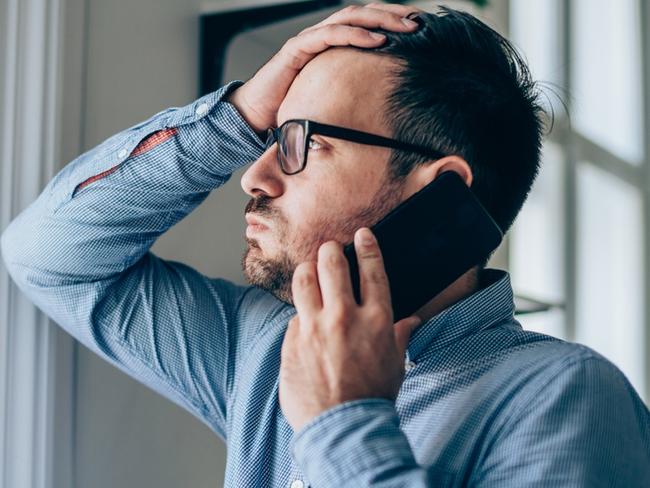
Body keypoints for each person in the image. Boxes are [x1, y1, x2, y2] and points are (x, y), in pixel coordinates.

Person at [2, 3, 649, 486]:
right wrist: (237, 117)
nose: (252, 176)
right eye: (265, 139)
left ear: (437, 192)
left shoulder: (569, 399)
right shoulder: (263, 349)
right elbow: (50, 255)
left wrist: (343, 421)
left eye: (297, 143)